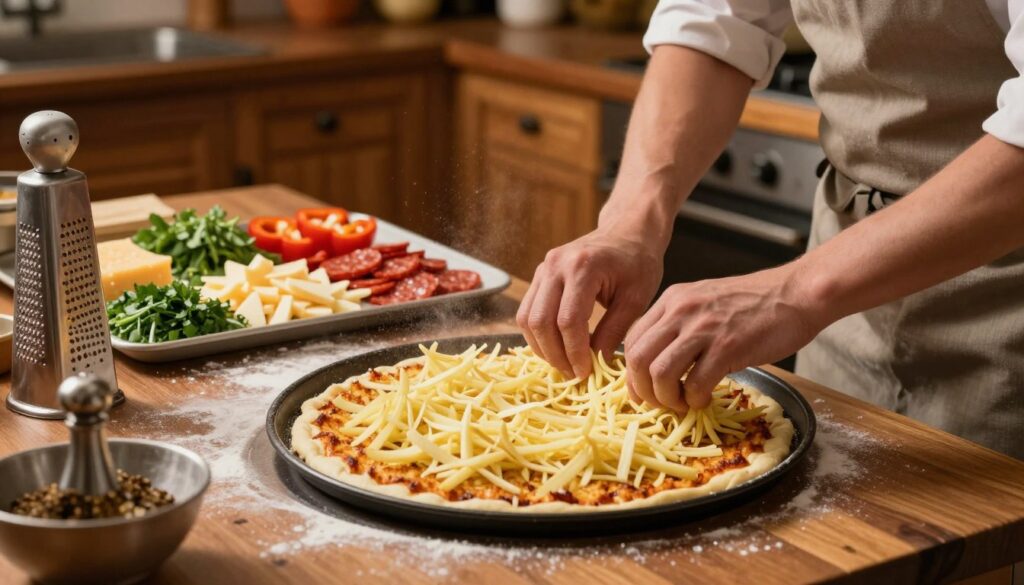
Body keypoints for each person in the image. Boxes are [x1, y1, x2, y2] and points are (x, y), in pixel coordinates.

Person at [517, 0, 1024, 460]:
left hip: (1003, 307)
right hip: (841, 311)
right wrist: (629, 225)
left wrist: (795, 292)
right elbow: (716, 20)